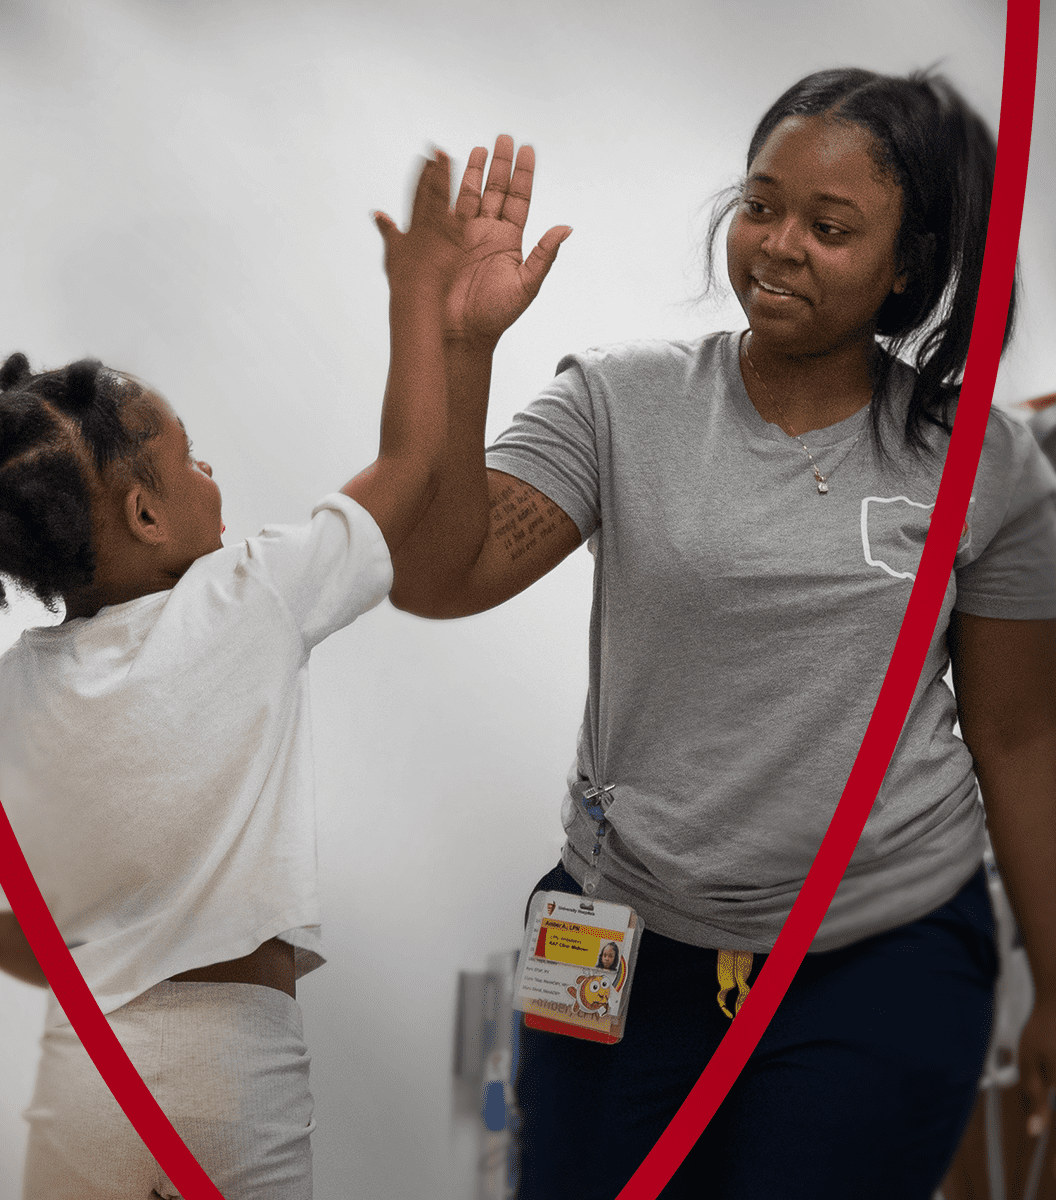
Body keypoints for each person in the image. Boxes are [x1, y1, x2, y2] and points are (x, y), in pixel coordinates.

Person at [390, 72, 1056, 1199]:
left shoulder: (982, 461)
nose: (778, 245)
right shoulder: (618, 403)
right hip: (623, 940)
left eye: (829, 227)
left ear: (911, 264)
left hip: (881, 952)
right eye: (761, 205)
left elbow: (1021, 733)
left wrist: (1054, 979)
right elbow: (437, 576)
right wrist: (458, 348)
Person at [0, 149, 557, 1199]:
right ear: (146, 516)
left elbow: (24, 938)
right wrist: (418, 300)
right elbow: (410, 464)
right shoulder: (247, 597)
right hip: (229, 1060)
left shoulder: (14, 695)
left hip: (80, 1070)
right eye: (189, 456)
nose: (212, 474)